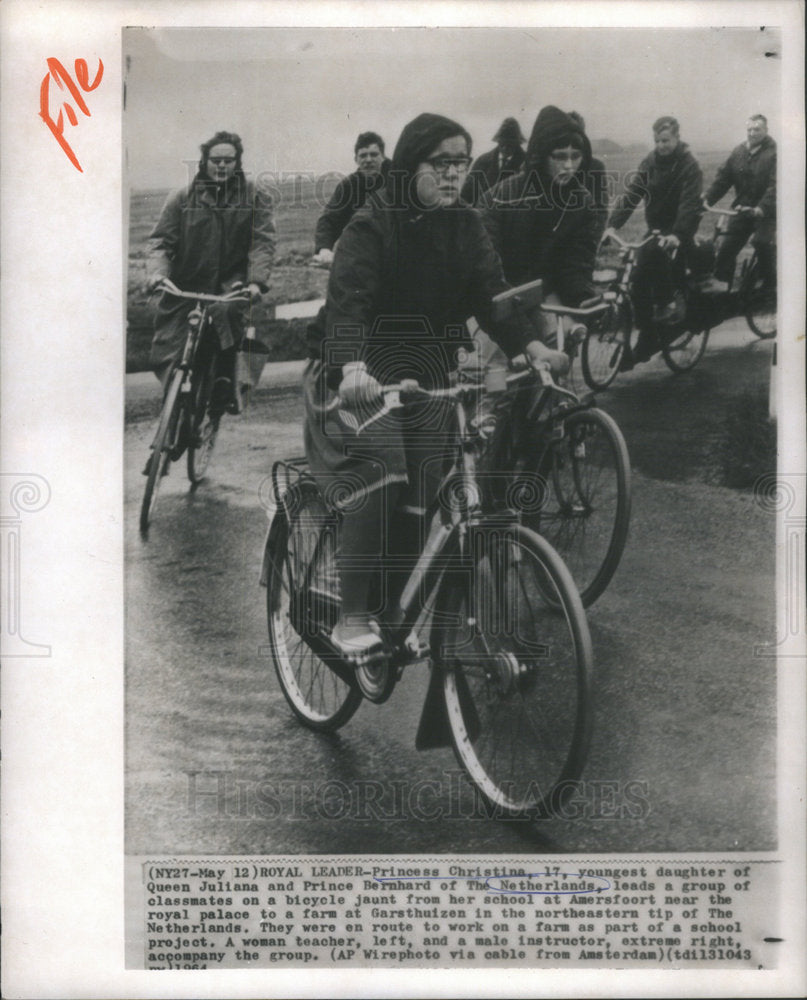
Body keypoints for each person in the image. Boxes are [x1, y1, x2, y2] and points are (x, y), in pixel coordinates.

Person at [304, 112, 567, 663]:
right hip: (355, 374)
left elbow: (492, 297)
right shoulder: (373, 223)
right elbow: (347, 303)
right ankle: (352, 615)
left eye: (461, 163)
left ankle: (394, 607)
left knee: (427, 481)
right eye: (441, 163)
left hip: (424, 376)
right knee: (382, 465)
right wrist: (352, 368)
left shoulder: (465, 225)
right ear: (410, 164)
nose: (453, 174)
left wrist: (530, 346)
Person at [146, 130, 276, 410]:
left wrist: (255, 282)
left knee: (230, 314)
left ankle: (225, 383)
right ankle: (176, 413)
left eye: (228, 160)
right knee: (171, 347)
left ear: (237, 163)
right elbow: (161, 242)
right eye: (215, 159)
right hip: (186, 285)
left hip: (232, 283)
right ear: (204, 162)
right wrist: (158, 274)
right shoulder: (181, 198)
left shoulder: (255, 196)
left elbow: (262, 242)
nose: (221, 165)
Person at [478, 105, 602, 357]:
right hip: (503, 296)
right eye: (559, 156)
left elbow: (577, 262)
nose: (569, 166)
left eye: (576, 156)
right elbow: (486, 266)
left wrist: (581, 297)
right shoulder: (502, 198)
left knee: (559, 356)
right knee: (498, 380)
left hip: (547, 294)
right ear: (540, 155)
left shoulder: (582, 202)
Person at [607, 115, 703, 366]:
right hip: (656, 230)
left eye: (666, 140)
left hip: (678, 233)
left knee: (656, 272)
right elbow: (632, 194)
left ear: (677, 138)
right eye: (657, 140)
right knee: (636, 278)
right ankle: (648, 333)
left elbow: (689, 202)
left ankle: (667, 308)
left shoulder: (688, 165)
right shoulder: (649, 163)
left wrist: (678, 234)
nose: (661, 145)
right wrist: (612, 224)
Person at [700, 114, 776, 293]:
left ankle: (770, 284)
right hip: (742, 209)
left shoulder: (774, 153)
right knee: (726, 248)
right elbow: (723, 180)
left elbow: (775, 186)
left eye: (757, 129)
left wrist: (761, 208)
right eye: (749, 129)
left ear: (766, 130)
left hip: (767, 212)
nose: (752, 133)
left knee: (761, 242)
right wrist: (706, 200)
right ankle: (723, 292)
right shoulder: (739, 152)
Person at [311, 131, 391, 266]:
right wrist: (324, 249)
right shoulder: (348, 185)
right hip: (363, 255)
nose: (368, 160)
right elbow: (330, 218)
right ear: (356, 159)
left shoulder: (400, 180)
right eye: (363, 155)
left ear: (383, 156)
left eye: (374, 154)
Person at [460, 116, 526, 205]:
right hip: (482, 215)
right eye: (502, 144)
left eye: (510, 145)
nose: (505, 148)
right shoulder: (482, 161)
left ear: (518, 143)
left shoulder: (526, 163)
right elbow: (466, 193)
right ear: (498, 141)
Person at [567, 110, 609, 242]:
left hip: (584, 235)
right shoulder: (553, 163)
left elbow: (601, 208)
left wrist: (594, 238)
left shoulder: (596, 166)